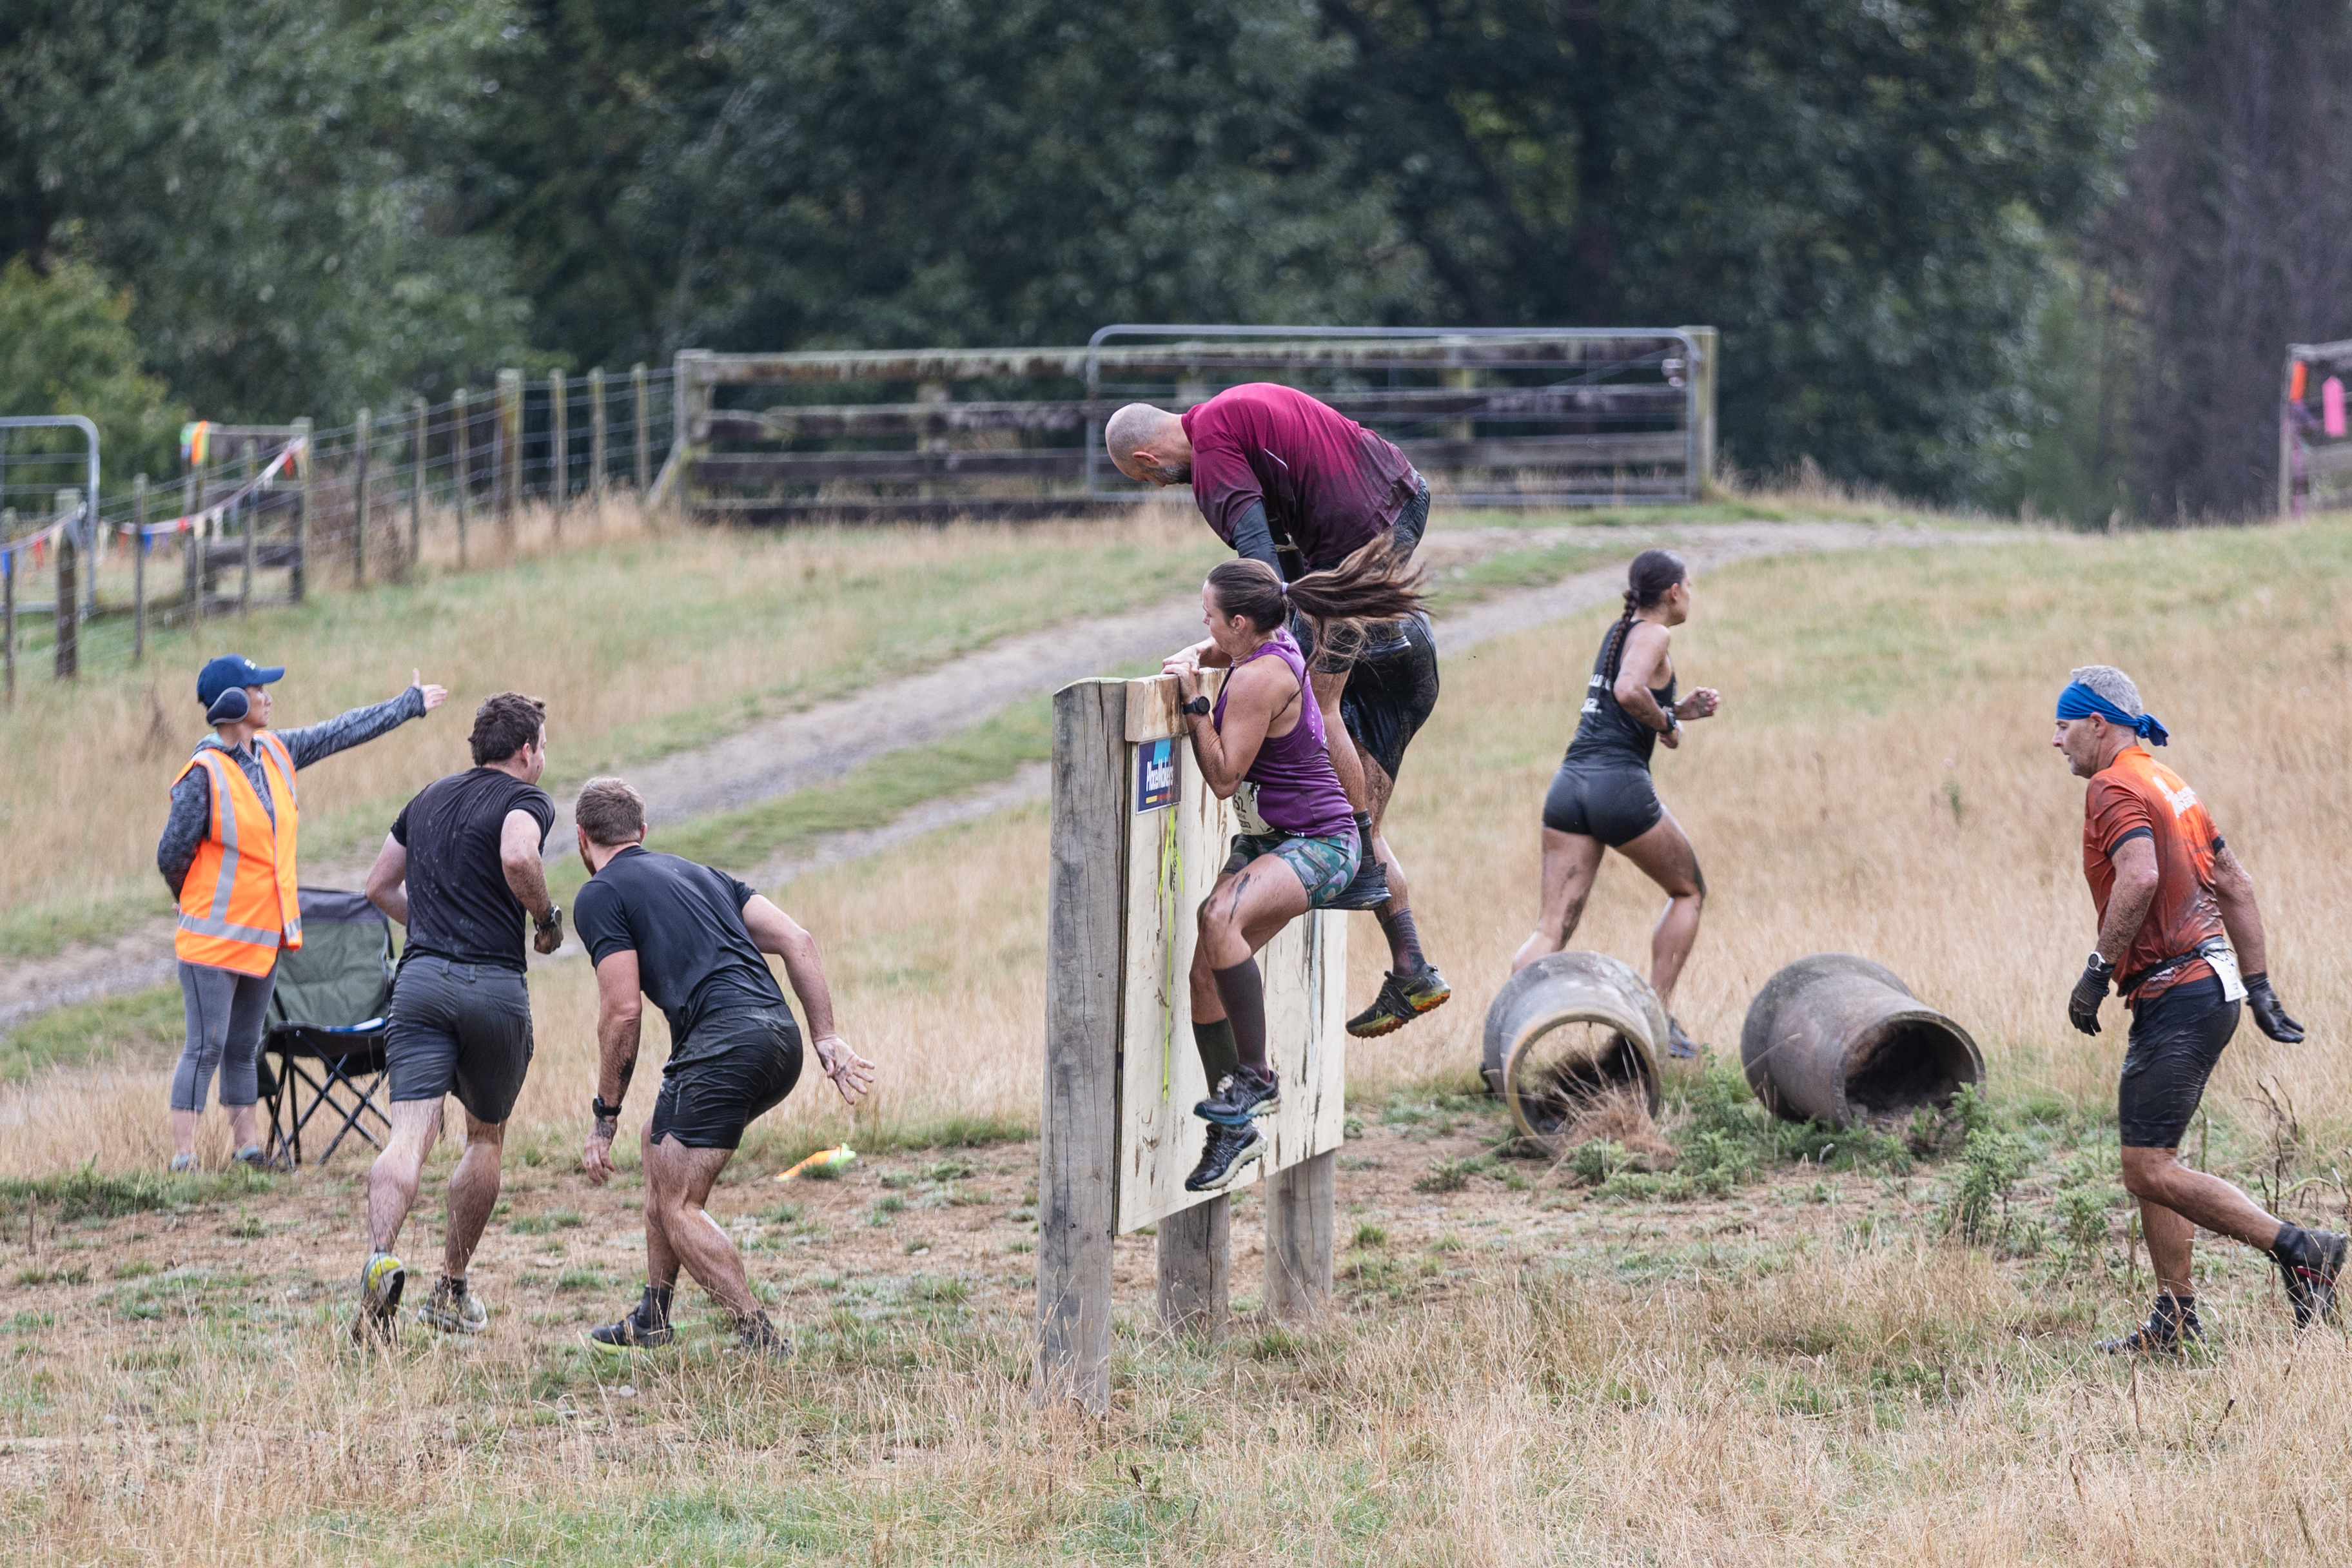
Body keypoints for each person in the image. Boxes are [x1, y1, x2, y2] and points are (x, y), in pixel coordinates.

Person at [1107, 386, 1451, 1040]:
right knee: (1358, 809)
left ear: (1149, 457)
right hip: (1399, 497)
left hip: (1358, 543)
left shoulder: (1212, 462)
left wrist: (1229, 653)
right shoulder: (1230, 416)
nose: (1157, 484)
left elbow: (1262, 571)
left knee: (1319, 709)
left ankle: (1348, 866)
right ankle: (1412, 965)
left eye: (1145, 477)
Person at [2053, 664, 2344, 1353]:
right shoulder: (2170, 783)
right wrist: (2260, 985)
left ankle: (2303, 1248)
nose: (2056, 739)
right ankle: (2176, 1318)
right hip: (2206, 984)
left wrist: (2096, 970)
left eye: (2064, 724)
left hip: (2179, 986)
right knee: (2152, 1156)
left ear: (2098, 723)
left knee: (2147, 1168)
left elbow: (2142, 874)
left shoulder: (2113, 782)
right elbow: (2235, 883)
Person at [567, 776, 876, 1355]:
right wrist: (826, 1038)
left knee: (678, 1203)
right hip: (778, 1039)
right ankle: (653, 1315)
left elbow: (623, 1012)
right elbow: (799, 941)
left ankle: (758, 1335)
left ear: (582, 839)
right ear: (643, 832)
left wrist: (602, 1114)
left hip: (723, 1044)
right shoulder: (704, 875)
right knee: (657, 1144)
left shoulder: (600, 894)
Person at [1161, 541, 1427, 1192]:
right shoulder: (1265, 646)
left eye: (1209, 616)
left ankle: (1255, 1076)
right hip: (1272, 839)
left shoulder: (1261, 677)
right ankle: (1234, 1129)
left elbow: (1224, 777)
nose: (1204, 625)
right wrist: (1200, 656)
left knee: (1217, 914)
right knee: (1204, 973)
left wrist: (1196, 702)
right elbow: (1220, 651)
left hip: (1319, 840)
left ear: (1241, 623)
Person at [156, 654, 446, 1171]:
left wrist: (407, 706)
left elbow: (341, 731)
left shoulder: (275, 751)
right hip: (211, 940)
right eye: (258, 689)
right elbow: (171, 854)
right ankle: (184, 1160)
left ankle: (248, 1151)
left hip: (263, 935)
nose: (269, 697)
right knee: (205, 1046)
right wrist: (193, 898)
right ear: (232, 701)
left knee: (245, 1047)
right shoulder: (204, 774)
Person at [351, 693, 560, 1342]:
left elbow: (379, 886)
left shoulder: (428, 796)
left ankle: (379, 1256)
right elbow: (521, 858)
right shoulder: (527, 800)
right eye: (543, 745)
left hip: (420, 984)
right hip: (494, 984)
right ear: (526, 750)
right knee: (484, 1135)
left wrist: (437, 925)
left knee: (407, 1134)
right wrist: (546, 919)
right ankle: (450, 1286)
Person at [1511, 551, 1720, 1057]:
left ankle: (1506, 1038)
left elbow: (1623, 699)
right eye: (1689, 583)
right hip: (1617, 787)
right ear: (1673, 591)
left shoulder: (1619, 632)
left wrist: (1677, 710)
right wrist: (1668, 725)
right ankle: (1657, 1022)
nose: (1691, 592)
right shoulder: (1655, 633)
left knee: (1550, 929)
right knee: (1689, 891)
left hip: (1569, 787)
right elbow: (1629, 692)